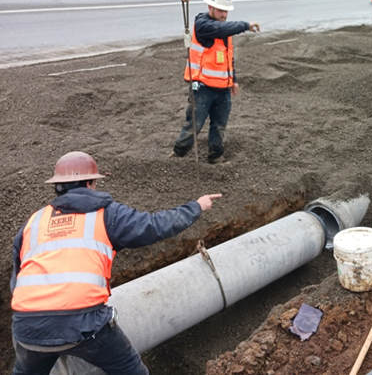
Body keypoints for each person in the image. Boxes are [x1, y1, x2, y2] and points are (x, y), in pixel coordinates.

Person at [10, 151, 222, 374]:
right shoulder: (105, 214)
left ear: (58, 187)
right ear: (90, 183)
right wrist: (197, 207)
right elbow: (153, 226)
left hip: (27, 326)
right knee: (131, 370)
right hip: (83, 325)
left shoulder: (34, 222)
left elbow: (18, 277)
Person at [171, 0, 260, 164]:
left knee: (219, 124)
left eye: (226, 11)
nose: (224, 15)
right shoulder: (203, 24)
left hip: (222, 89)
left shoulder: (224, 30)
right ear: (210, 7)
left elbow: (228, 58)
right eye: (220, 10)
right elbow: (218, 29)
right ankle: (178, 154)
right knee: (194, 124)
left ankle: (216, 155)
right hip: (202, 87)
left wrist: (233, 79)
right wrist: (245, 25)